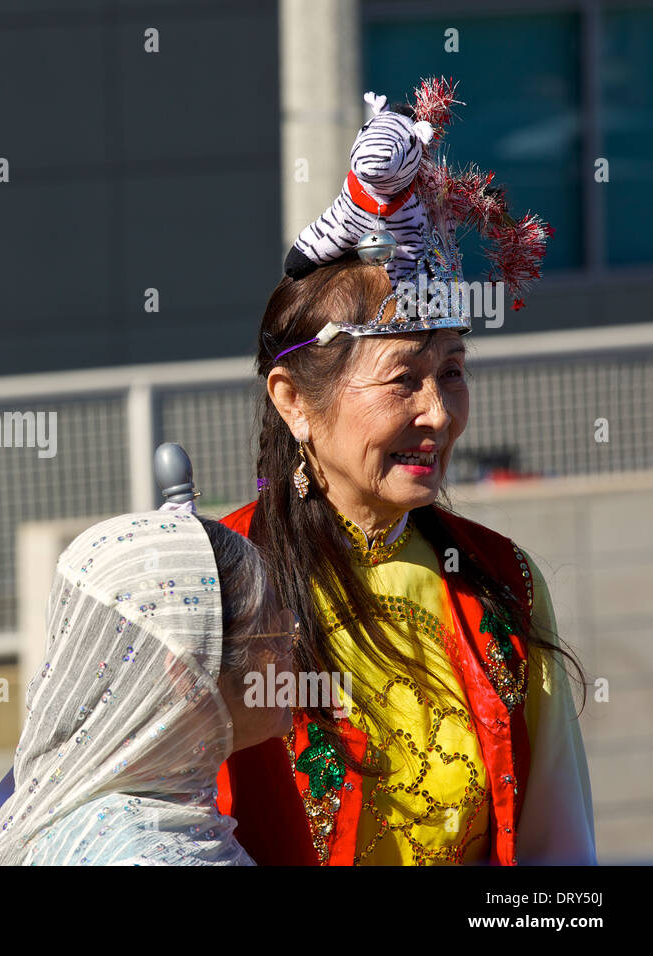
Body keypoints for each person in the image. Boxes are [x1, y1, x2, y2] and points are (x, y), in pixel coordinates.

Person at [212, 78, 595, 866]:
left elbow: (560, 851)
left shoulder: (501, 581)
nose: (438, 412)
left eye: (451, 372)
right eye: (402, 379)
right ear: (294, 402)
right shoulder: (211, 584)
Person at [0, 509, 297, 865]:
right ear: (189, 675)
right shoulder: (154, 856)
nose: (294, 650)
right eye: (280, 632)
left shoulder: (90, 815)